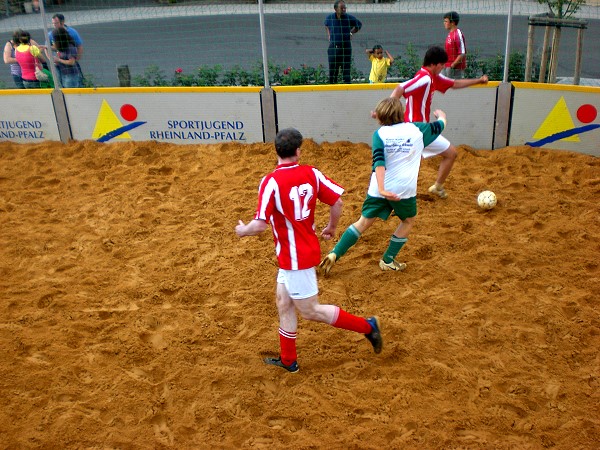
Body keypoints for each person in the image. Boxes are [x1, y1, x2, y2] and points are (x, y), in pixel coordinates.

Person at [235, 128, 383, 373]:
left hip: (296, 259)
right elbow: (337, 201)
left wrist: (243, 231)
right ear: (298, 151)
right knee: (284, 301)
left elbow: (260, 225)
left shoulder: (270, 181)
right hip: (295, 255)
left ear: (276, 152)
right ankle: (288, 359)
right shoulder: (312, 174)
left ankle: (368, 327)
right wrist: (332, 227)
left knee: (311, 310)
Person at [320, 98, 447, 275]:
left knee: (363, 222)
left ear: (381, 117)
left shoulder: (379, 134)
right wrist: (441, 116)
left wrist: (381, 189)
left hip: (378, 189)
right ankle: (388, 259)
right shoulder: (418, 129)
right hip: (403, 190)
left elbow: (379, 163)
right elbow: (440, 125)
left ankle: (335, 253)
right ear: (402, 113)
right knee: (408, 221)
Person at [388, 46, 488, 199]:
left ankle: (437, 187)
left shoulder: (432, 77)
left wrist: (479, 81)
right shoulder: (425, 78)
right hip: (415, 130)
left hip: (422, 130)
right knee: (408, 164)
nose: (443, 68)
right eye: (442, 65)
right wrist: (387, 110)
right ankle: (391, 192)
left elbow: (453, 84)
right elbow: (400, 88)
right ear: (434, 64)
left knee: (451, 154)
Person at [324, 0, 361, 84]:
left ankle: (347, 89)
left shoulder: (349, 18)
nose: (344, 10)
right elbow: (326, 25)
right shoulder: (330, 18)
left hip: (346, 48)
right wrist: (329, 34)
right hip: (334, 47)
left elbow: (359, 25)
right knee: (333, 71)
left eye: (345, 8)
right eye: (342, 8)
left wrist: (351, 32)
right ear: (335, 9)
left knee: (346, 71)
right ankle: (332, 88)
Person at [48, 13, 84, 84]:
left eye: (56, 23)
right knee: (60, 83)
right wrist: (50, 59)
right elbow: (47, 47)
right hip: (58, 65)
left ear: (62, 22)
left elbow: (79, 46)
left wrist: (76, 59)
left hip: (68, 65)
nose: (54, 25)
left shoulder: (72, 32)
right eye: (53, 23)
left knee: (69, 83)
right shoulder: (51, 34)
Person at [442, 11, 467, 79]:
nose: (444, 23)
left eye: (446, 21)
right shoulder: (450, 34)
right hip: (447, 67)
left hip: (455, 69)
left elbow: (462, 53)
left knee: (455, 88)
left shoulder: (457, 34)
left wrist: (452, 65)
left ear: (452, 23)